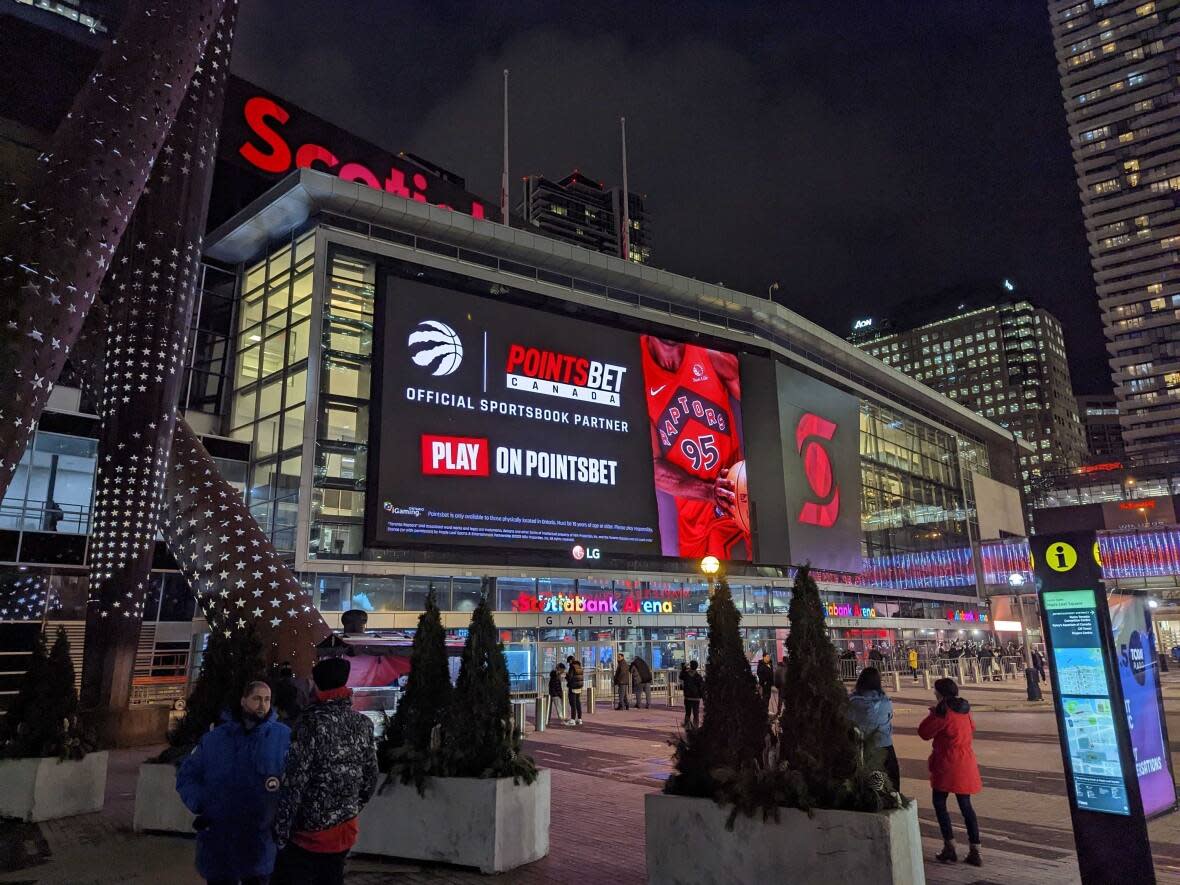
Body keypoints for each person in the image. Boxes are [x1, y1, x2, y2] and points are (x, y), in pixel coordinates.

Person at [272, 657, 379, 885]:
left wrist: (281, 829)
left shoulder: (310, 723)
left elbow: (295, 781)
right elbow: (371, 777)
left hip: (307, 833)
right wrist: (349, 807)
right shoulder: (363, 724)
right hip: (345, 829)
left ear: (318, 686)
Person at [642, 335, 749, 559]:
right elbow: (653, 468)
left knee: (754, 581)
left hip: (737, 503)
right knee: (698, 591)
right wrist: (709, 492)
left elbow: (763, 408)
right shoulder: (636, 370)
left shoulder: (711, 354)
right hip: (694, 522)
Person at [177, 680, 291, 885]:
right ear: (243, 700)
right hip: (221, 839)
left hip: (260, 841)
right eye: (257, 698)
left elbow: (293, 781)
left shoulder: (282, 737)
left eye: (267, 699)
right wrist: (202, 803)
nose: (262, 705)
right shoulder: (216, 739)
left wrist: (281, 820)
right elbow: (187, 775)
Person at [918, 678, 983, 867]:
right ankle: (975, 849)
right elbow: (972, 728)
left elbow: (923, 732)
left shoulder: (943, 712)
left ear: (940, 693)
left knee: (939, 803)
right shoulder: (964, 709)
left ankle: (950, 846)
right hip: (965, 762)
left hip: (947, 763)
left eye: (935, 690)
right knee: (966, 806)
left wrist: (934, 713)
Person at [847, 667, 900, 791]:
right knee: (891, 784)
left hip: (861, 748)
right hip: (885, 746)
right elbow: (889, 716)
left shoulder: (853, 703)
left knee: (863, 786)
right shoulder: (886, 702)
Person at [681, 660, 704, 728]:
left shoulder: (686, 675)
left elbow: (681, 676)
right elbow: (701, 687)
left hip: (688, 697)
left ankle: (687, 726)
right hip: (696, 698)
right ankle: (695, 726)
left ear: (690, 666)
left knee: (688, 713)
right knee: (696, 713)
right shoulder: (698, 676)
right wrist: (702, 696)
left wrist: (683, 668)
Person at [565, 656, 584, 726]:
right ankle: (579, 719)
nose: (568, 663)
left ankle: (572, 719)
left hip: (573, 687)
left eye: (568, 662)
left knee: (573, 703)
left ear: (570, 661)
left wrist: (566, 676)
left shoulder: (572, 667)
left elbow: (570, 678)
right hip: (579, 687)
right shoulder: (579, 666)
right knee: (578, 703)